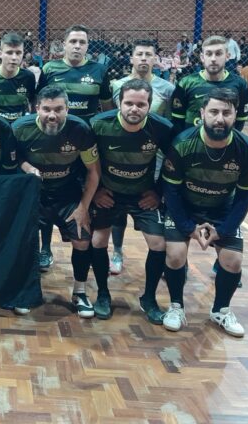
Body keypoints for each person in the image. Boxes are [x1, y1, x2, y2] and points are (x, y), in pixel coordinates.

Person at [161, 88, 248, 337]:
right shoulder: (183, 144)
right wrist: (187, 227)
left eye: (226, 112)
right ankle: (175, 307)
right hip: (185, 206)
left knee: (233, 261)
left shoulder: (247, 149)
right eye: (214, 111)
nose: (220, 118)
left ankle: (221, 311)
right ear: (202, 113)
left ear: (235, 114)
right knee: (175, 255)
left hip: (222, 209)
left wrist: (224, 230)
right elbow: (170, 192)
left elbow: (245, 196)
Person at [87, 79, 172, 322]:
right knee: (98, 240)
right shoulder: (99, 125)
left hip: (142, 195)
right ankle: (103, 294)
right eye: (129, 103)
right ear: (119, 103)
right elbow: (85, 163)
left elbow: (174, 165)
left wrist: (158, 191)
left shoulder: (162, 127)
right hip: (109, 194)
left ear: (150, 105)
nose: (134, 109)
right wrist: (96, 191)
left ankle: (149, 298)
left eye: (141, 104)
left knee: (159, 244)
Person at [12, 86, 101, 316]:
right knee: (24, 241)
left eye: (59, 109)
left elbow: (93, 172)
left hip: (67, 193)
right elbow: (16, 158)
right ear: (36, 109)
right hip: (33, 194)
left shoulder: (80, 129)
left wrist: (83, 207)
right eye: (47, 109)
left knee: (82, 238)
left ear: (67, 109)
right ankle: (24, 290)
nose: (53, 115)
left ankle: (79, 292)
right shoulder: (21, 128)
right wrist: (28, 167)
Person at [35, 25, 113, 269]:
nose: (77, 46)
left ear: (88, 46)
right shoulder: (50, 69)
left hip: (85, 142)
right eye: (73, 41)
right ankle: (45, 249)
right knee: (47, 192)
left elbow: (107, 106)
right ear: (64, 45)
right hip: (54, 140)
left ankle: (81, 233)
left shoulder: (99, 70)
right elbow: (40, 102)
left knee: (84, 187)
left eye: (82, 42)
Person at [108, 40, 175, 274]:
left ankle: (162, 257)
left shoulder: (166, 88)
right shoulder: (117, 84)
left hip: (152, 156)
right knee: (118, 206)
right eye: (140, 54)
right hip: (122, 153)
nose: (144, 58)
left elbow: (167, 126)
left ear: (155, 59)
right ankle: (116, 252)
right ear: (131, 58)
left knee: (153, 202)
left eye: (149, 54)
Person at [170, 36, 248, 134]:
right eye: (209, 54)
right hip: (191, 145)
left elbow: (240, 121)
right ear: (202, 57)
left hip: (225, 145)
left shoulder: (240, 85)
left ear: (227, 56)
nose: (213, 59)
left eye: (218, 54)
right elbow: (178, 120)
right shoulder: (185, 83)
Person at [0, 32, 36, 123]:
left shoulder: (28, 77)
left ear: (23, 54)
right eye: (9, 52)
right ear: (0, 54)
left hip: (19, 129)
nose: (14, 57)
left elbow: (31, 103)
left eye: (18, 53)